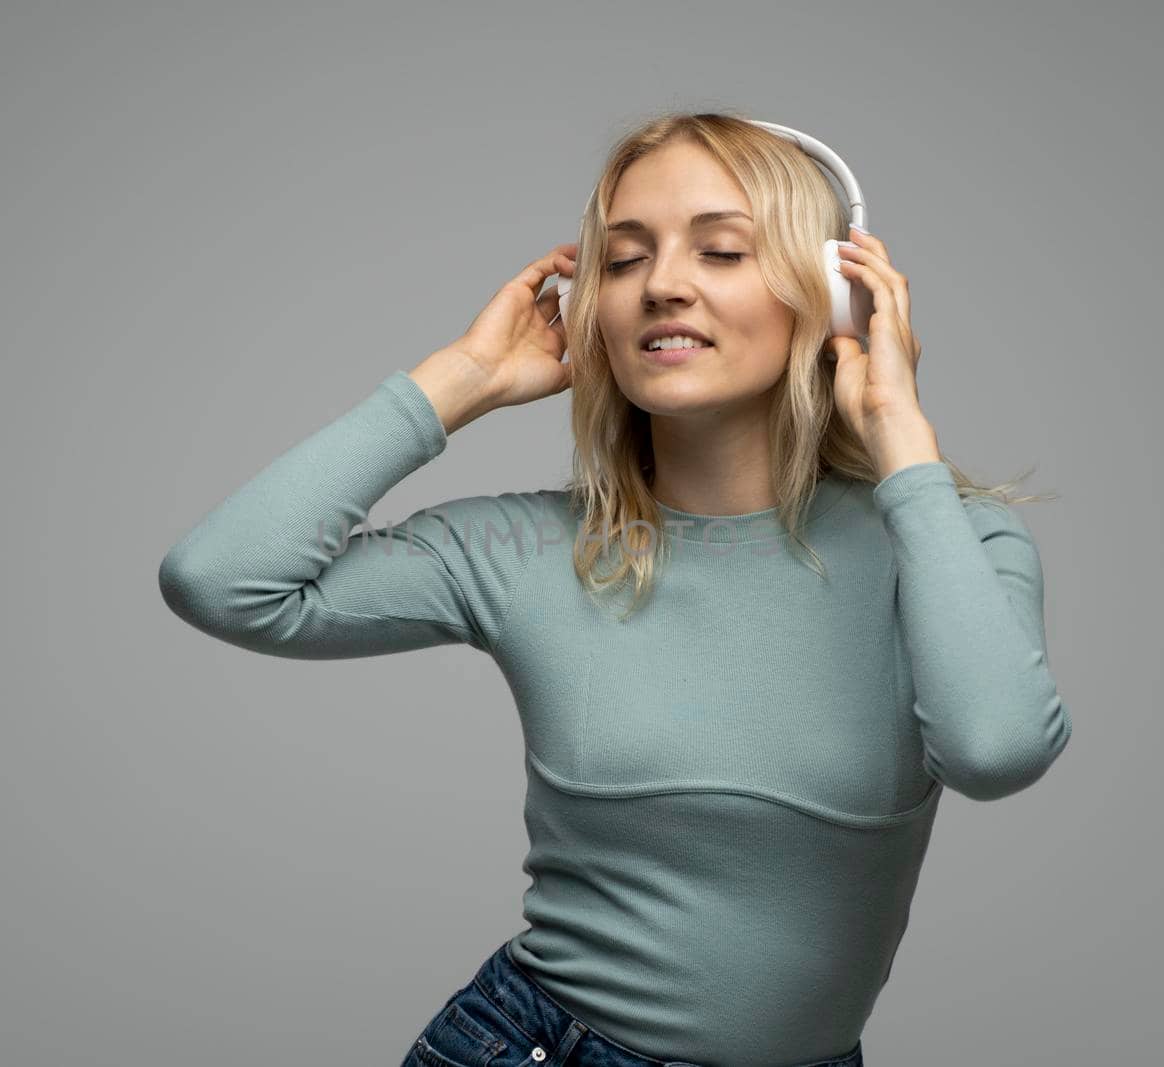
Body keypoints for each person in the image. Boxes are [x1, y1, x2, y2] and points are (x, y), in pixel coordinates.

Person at [158, 111, 1073, 1067]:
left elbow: (995, 748)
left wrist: (902, 442)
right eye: (626, 259)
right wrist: (459, 381)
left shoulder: (947, 541)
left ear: (838, 297)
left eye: (722, 250)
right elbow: (221, 580)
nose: (663, 285)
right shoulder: (524, 546)